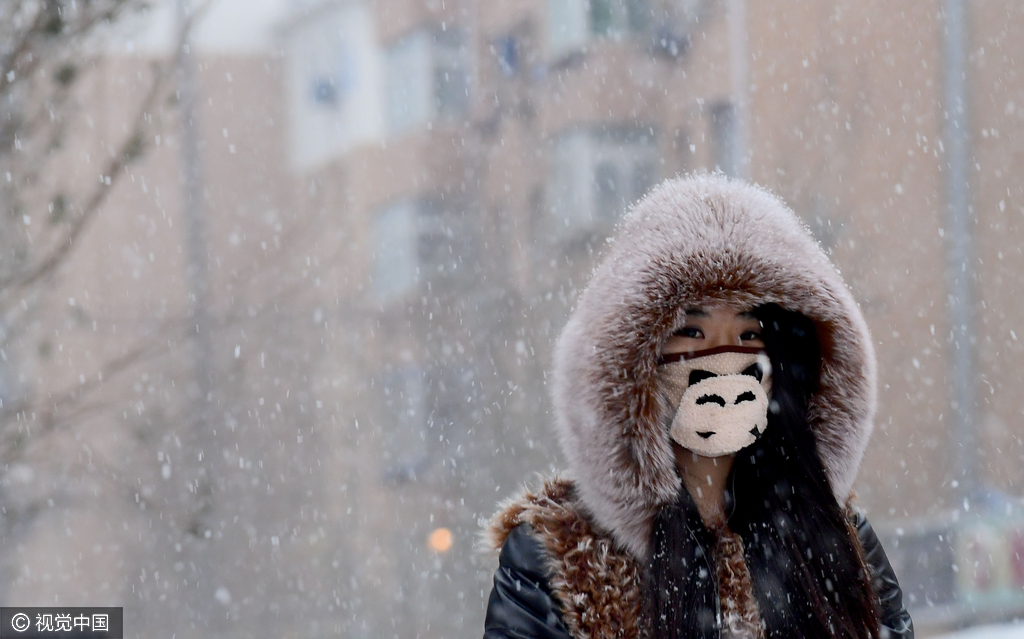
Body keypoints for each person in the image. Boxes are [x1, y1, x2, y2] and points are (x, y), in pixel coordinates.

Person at [482, 175, 914, 639]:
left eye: (749, 334)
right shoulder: (560, 556)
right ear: (635, 367)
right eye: (692, 332)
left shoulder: (839, 542)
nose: (726, 361)